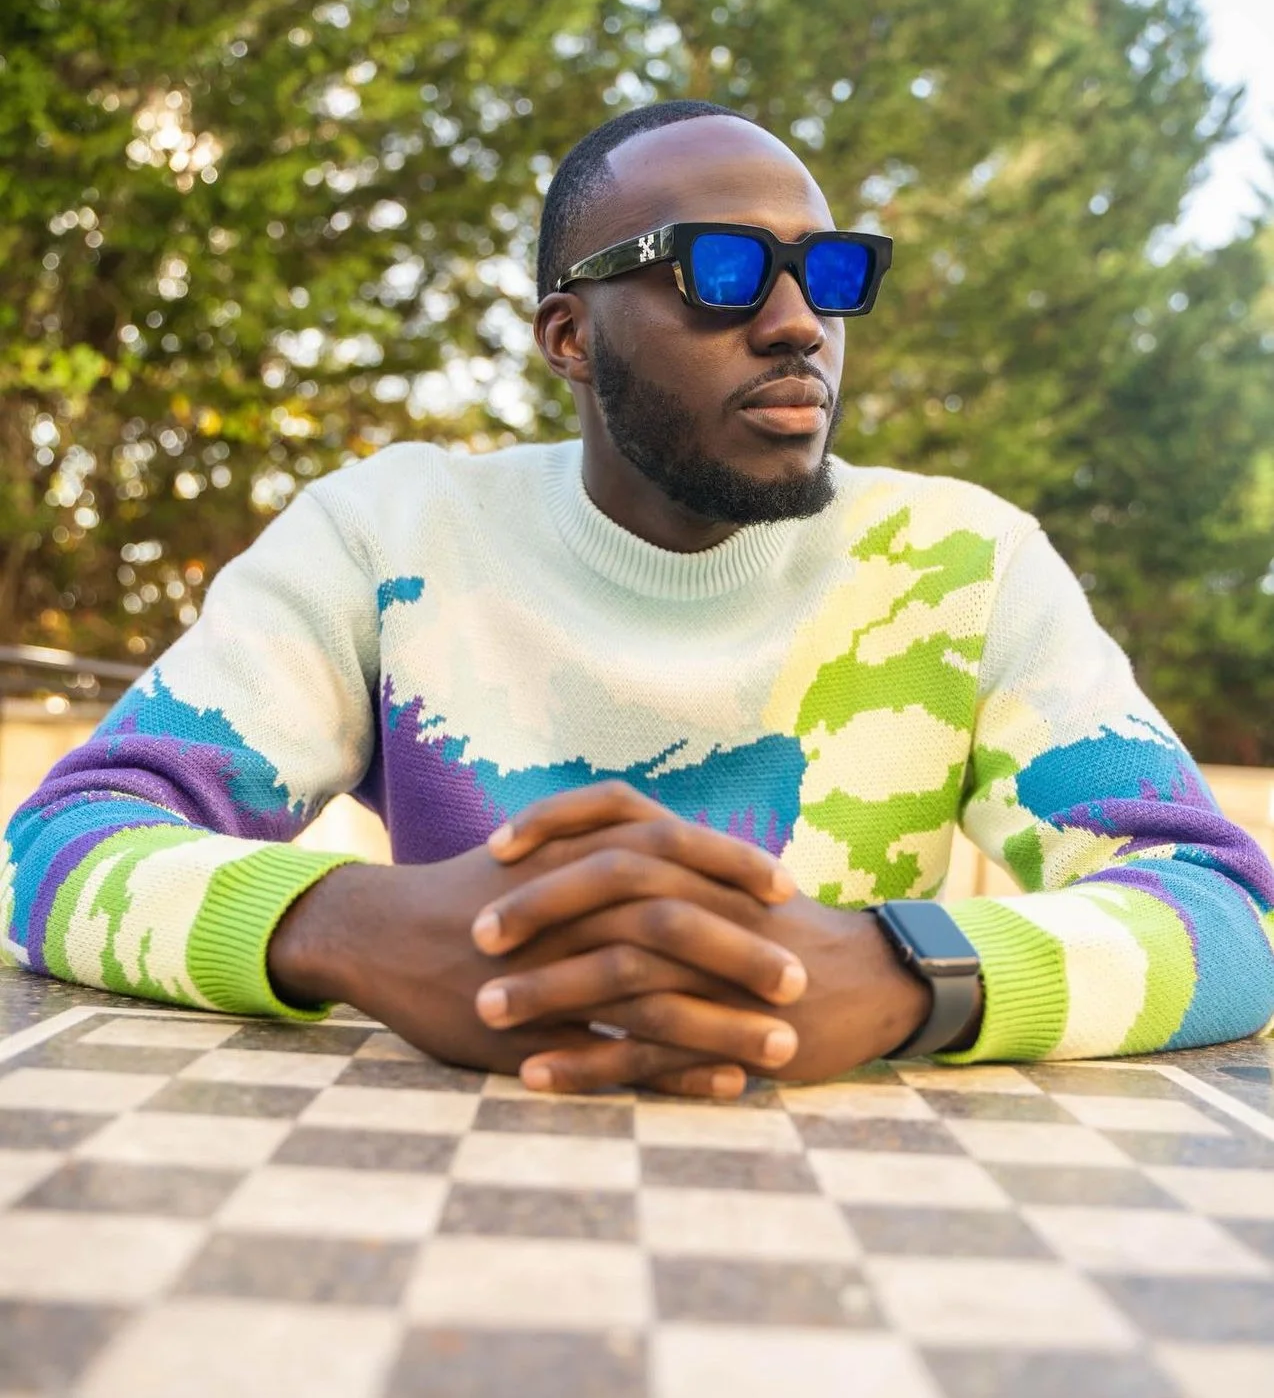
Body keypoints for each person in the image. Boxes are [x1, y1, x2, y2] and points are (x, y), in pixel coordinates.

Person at [4, 100, 1272, 1099]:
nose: (797, 323)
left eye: (829, 272)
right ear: (568, 336)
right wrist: (347, 926)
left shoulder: (965, 563)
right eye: (721, 269)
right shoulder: (390, 535)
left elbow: (1227, 914)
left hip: (855, 1224)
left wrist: (905, 973)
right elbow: (56, 846)